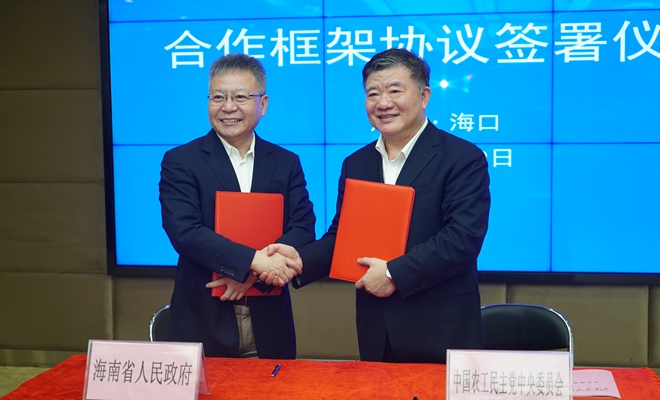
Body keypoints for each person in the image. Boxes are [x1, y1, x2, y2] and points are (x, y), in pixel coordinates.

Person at [267, 48, 490, 363]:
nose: (383, 103)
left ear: (424, 96)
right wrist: (301, 259)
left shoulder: (462, 157)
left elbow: (462, 239)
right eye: (373, 93)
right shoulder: (357, 163)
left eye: (395, 91)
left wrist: (392, 274)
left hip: (441, 328)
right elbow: (344, 236)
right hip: (377, 328)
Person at [159, 53, 315, 359]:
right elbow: (184, 231)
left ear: (263, 104)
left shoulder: (285, 162)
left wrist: (253, 274)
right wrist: (254, 261)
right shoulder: (181, 161)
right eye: (218, 97)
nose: (228, 107)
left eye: (240, 97)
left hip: (269, 318)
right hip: (203, 318)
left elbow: (302, 227)